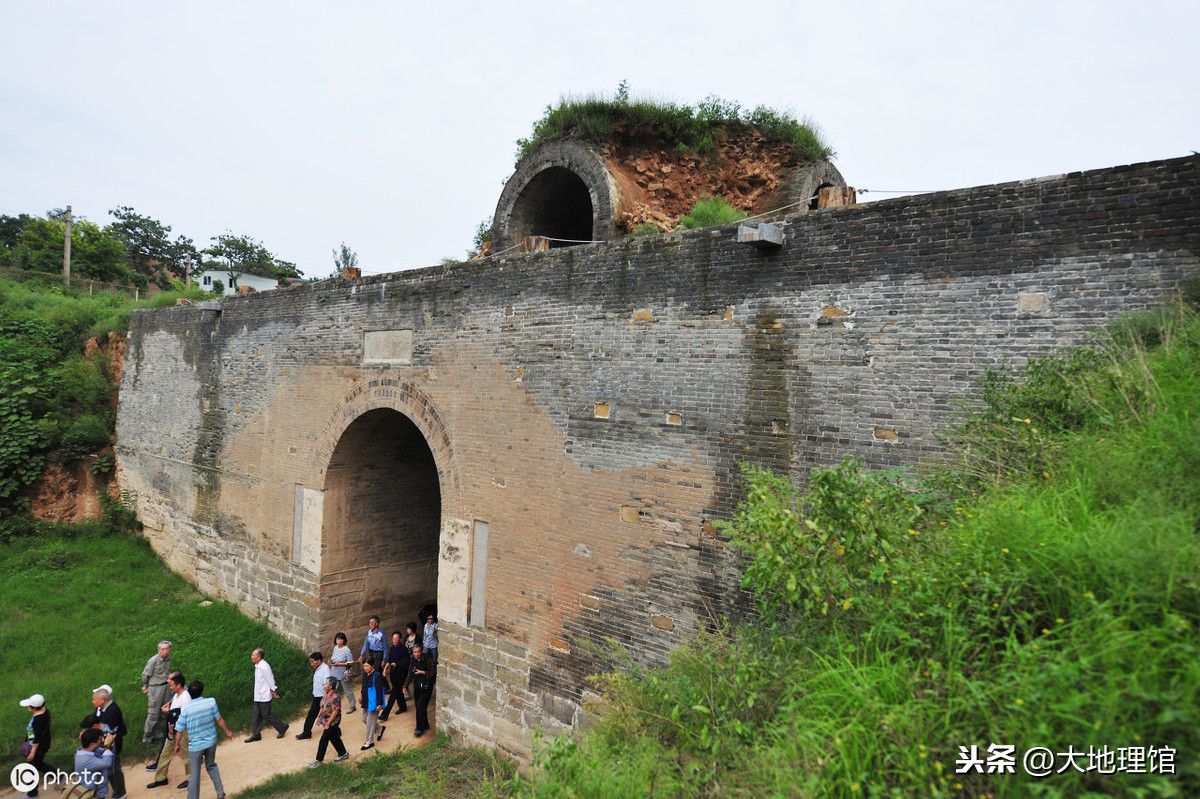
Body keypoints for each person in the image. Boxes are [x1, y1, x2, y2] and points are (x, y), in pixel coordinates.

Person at [174, 681, 233, 799]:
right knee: (211, 765)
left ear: (190, 693)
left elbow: (179, 730)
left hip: (195, 746)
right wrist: (227, 731)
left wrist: (177, 745)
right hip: (211, 742)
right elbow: (219, 719)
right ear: (201, 691)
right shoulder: (211, 702)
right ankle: (220, 793)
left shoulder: (186, 709)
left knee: (194, 773)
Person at [79, 685, 125, 799]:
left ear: (103, 700)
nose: (92, 701)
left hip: (111, 745)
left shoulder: (112, 712)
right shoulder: (100, 708)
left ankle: (120, 794)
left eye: (94, 699)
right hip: (102, 745)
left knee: (114, 771)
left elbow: (112, 734)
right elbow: (95, 722)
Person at [146, 671, 190, 789]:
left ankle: (190, 778)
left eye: (171, 685)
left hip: (181, 732)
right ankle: (161, 778)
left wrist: (169, 712)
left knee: (186, 755)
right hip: (172, 730)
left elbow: (184, 717)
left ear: (178, 685)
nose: (170, 687)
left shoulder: (186, 697)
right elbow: (175, 710)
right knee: (165, 754)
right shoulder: (176, 695)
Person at [246, 648, 288, 742]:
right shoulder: (257, 665)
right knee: (256, 715)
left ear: (259, 657)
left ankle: (282, 727)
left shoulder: (264, 666)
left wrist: (273, 691)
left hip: (264, 696)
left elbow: (270, 679)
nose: (251, 656)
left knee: (266, 715)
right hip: (258, 695)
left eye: (253, 655)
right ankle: (256, 735)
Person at [308, 677, 349, 769]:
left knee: (323, 740)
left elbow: (335, 711)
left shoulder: (335, 696)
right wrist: (319, 717)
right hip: (326, 720)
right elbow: (322, 707)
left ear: (330, 686)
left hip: (333, 721)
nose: (324, 685)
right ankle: (343, 753)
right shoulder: (326, 694)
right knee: (334, 738)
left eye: (326, 684)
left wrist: (327, 724)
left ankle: (319, 760)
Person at [140, 641, 173, 744]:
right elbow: (145, 675)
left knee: (164, 711)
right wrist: (146, 686)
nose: (165, 651)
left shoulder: (168, 658)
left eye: (167, 649)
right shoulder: (153, 661)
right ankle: (147, 737)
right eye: (162, 649)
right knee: (153, 713)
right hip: (155, 688)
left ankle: (158, 732)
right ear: (158, 650)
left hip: (166, 687)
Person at [20, 693, 51, 798]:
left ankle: (32, 794)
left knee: (31, 769)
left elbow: (36, 738)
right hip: (43, 743)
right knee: (39, 764)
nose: (27, 707)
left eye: (29, 705)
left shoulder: (38, 720)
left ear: (34, 708)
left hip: (37, 747)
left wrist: (32, 752)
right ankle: (59, 777)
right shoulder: (45, 711)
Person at [296, 652, 330, 740]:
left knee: (324, 715)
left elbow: (327, 684)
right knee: (318, 715)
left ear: (319, 661)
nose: (311, 664)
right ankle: (307, 733)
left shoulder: (325, 669)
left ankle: (307, 733)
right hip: (317, 696)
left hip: (322, 697)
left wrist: (324, 698)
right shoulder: (318, 668)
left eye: (312, 661)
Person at [73, 728, 115, 799]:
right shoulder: (85, 760)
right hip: (91, 795)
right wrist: (107, 745)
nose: (102, 741)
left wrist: (109, 742)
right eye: (100, 740)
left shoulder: (87, 751)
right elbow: (107, 762)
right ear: (92, 744)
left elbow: (103, 751)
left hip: (96, 791)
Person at [357, 659, 387, 750]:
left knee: (370, 722)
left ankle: (369, 742)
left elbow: (379, 690)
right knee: (364, 719)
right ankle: (379, 729)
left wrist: (379, 704)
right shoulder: (365, 674)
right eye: (364, 666)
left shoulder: (377, 676)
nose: (365, 668)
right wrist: (361, 695)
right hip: (366, 701)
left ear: (372, 666)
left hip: (373, 703)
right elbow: (364, 686)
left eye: (367, 666)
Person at [378, 632, 408, 721]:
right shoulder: (392, 648)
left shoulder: (404, 649)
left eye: (396, 639)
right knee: (398, 692)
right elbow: (389, 660)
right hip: (393, 673)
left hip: (401, 674)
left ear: (400, 639)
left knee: (393, 693)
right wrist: (385, 670)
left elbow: (406, 662)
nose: (394, 641)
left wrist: (397, 664)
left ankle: (384, 714)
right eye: (393, 639)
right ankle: (403, 707)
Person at [409, 643, 436, 738]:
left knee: (420, 706)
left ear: (421, 651)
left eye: (418, 652)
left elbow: (433, 673)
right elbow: (410, 672)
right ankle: (425, 724)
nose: (417, 654)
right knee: (418, 705)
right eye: (415, 652)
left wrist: (422, 672)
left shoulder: (428, 659)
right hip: (417, 685)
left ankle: (419, 728)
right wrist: (405, 686)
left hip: (426, 686)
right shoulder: (412, 658)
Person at [330, 633, 357, 714]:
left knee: (348, 690)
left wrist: (339, 664)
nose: (339, 641)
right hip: (334, 672)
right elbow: (333, 656)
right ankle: (334, 706)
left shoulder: (346, 650)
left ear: (344, 640)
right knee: (333, 690)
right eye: (337, 639)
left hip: (344, 674)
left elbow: (350, 662)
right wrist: (331, 661)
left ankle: (352, 706)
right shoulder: (335, 648)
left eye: (341, 639)